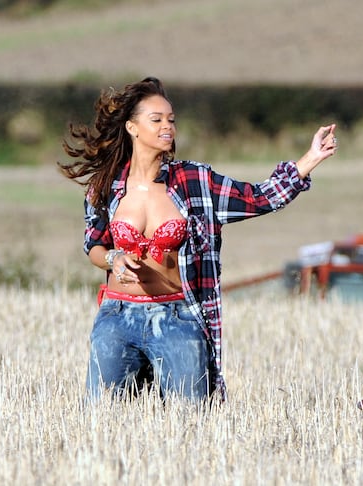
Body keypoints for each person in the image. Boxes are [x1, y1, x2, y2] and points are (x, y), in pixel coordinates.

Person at [58, 77, 337, 402]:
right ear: (132, 127)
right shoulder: (106, 185)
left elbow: (258, 198)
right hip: (117, 317)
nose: (168, 127)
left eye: (171, 120)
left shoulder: (194, 180)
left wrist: (311, 158)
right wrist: (112, 259)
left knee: (191, 423)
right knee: (102, 420)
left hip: (178, 316)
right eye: (157, 119)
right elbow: (94, 245)